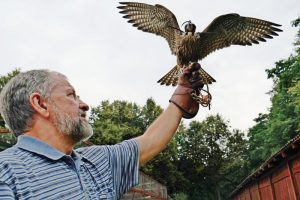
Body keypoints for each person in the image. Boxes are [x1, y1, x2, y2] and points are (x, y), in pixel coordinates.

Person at [0, 63, 204, 200]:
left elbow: (150, 140)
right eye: (71, 95)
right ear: (41, 104)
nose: (85, 105)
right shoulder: (6, 171)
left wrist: (181, 97)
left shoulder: (98, 160)